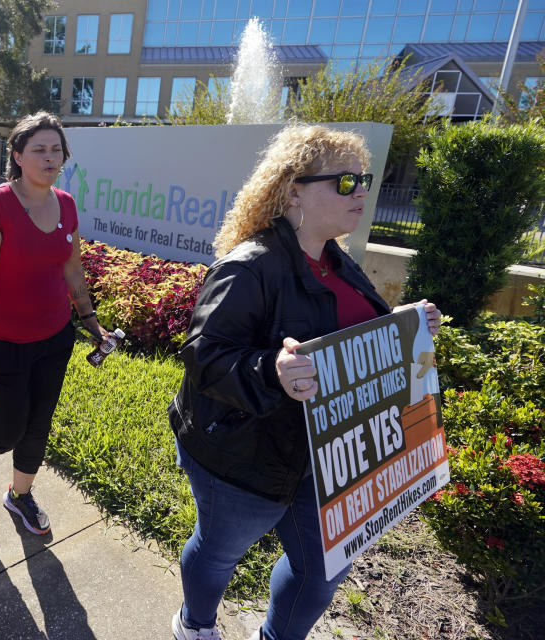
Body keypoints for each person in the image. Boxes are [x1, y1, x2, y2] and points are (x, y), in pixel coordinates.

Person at [168, 124, 443, 640]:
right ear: (294, 190)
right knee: (219, 553)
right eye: (344, 182)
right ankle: (196, 625)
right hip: (245, 457)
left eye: (364, 180)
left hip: (329, 460)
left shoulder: (339, 262)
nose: (361, 191)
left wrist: (400, 325)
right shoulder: (249, 267)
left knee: (321, 573)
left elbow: (343, 338)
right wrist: (270, 369)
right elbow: (204, 358)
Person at [0, 111, 110, 535]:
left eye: (55, 150)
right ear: (18, 156)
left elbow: (73, 271)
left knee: (39, 422)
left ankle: (19, 494)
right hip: (3, 339)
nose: (49, 157)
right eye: (38, 150)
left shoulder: (66, 204)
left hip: (55, 336)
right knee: (5, 430)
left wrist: (91, 323)